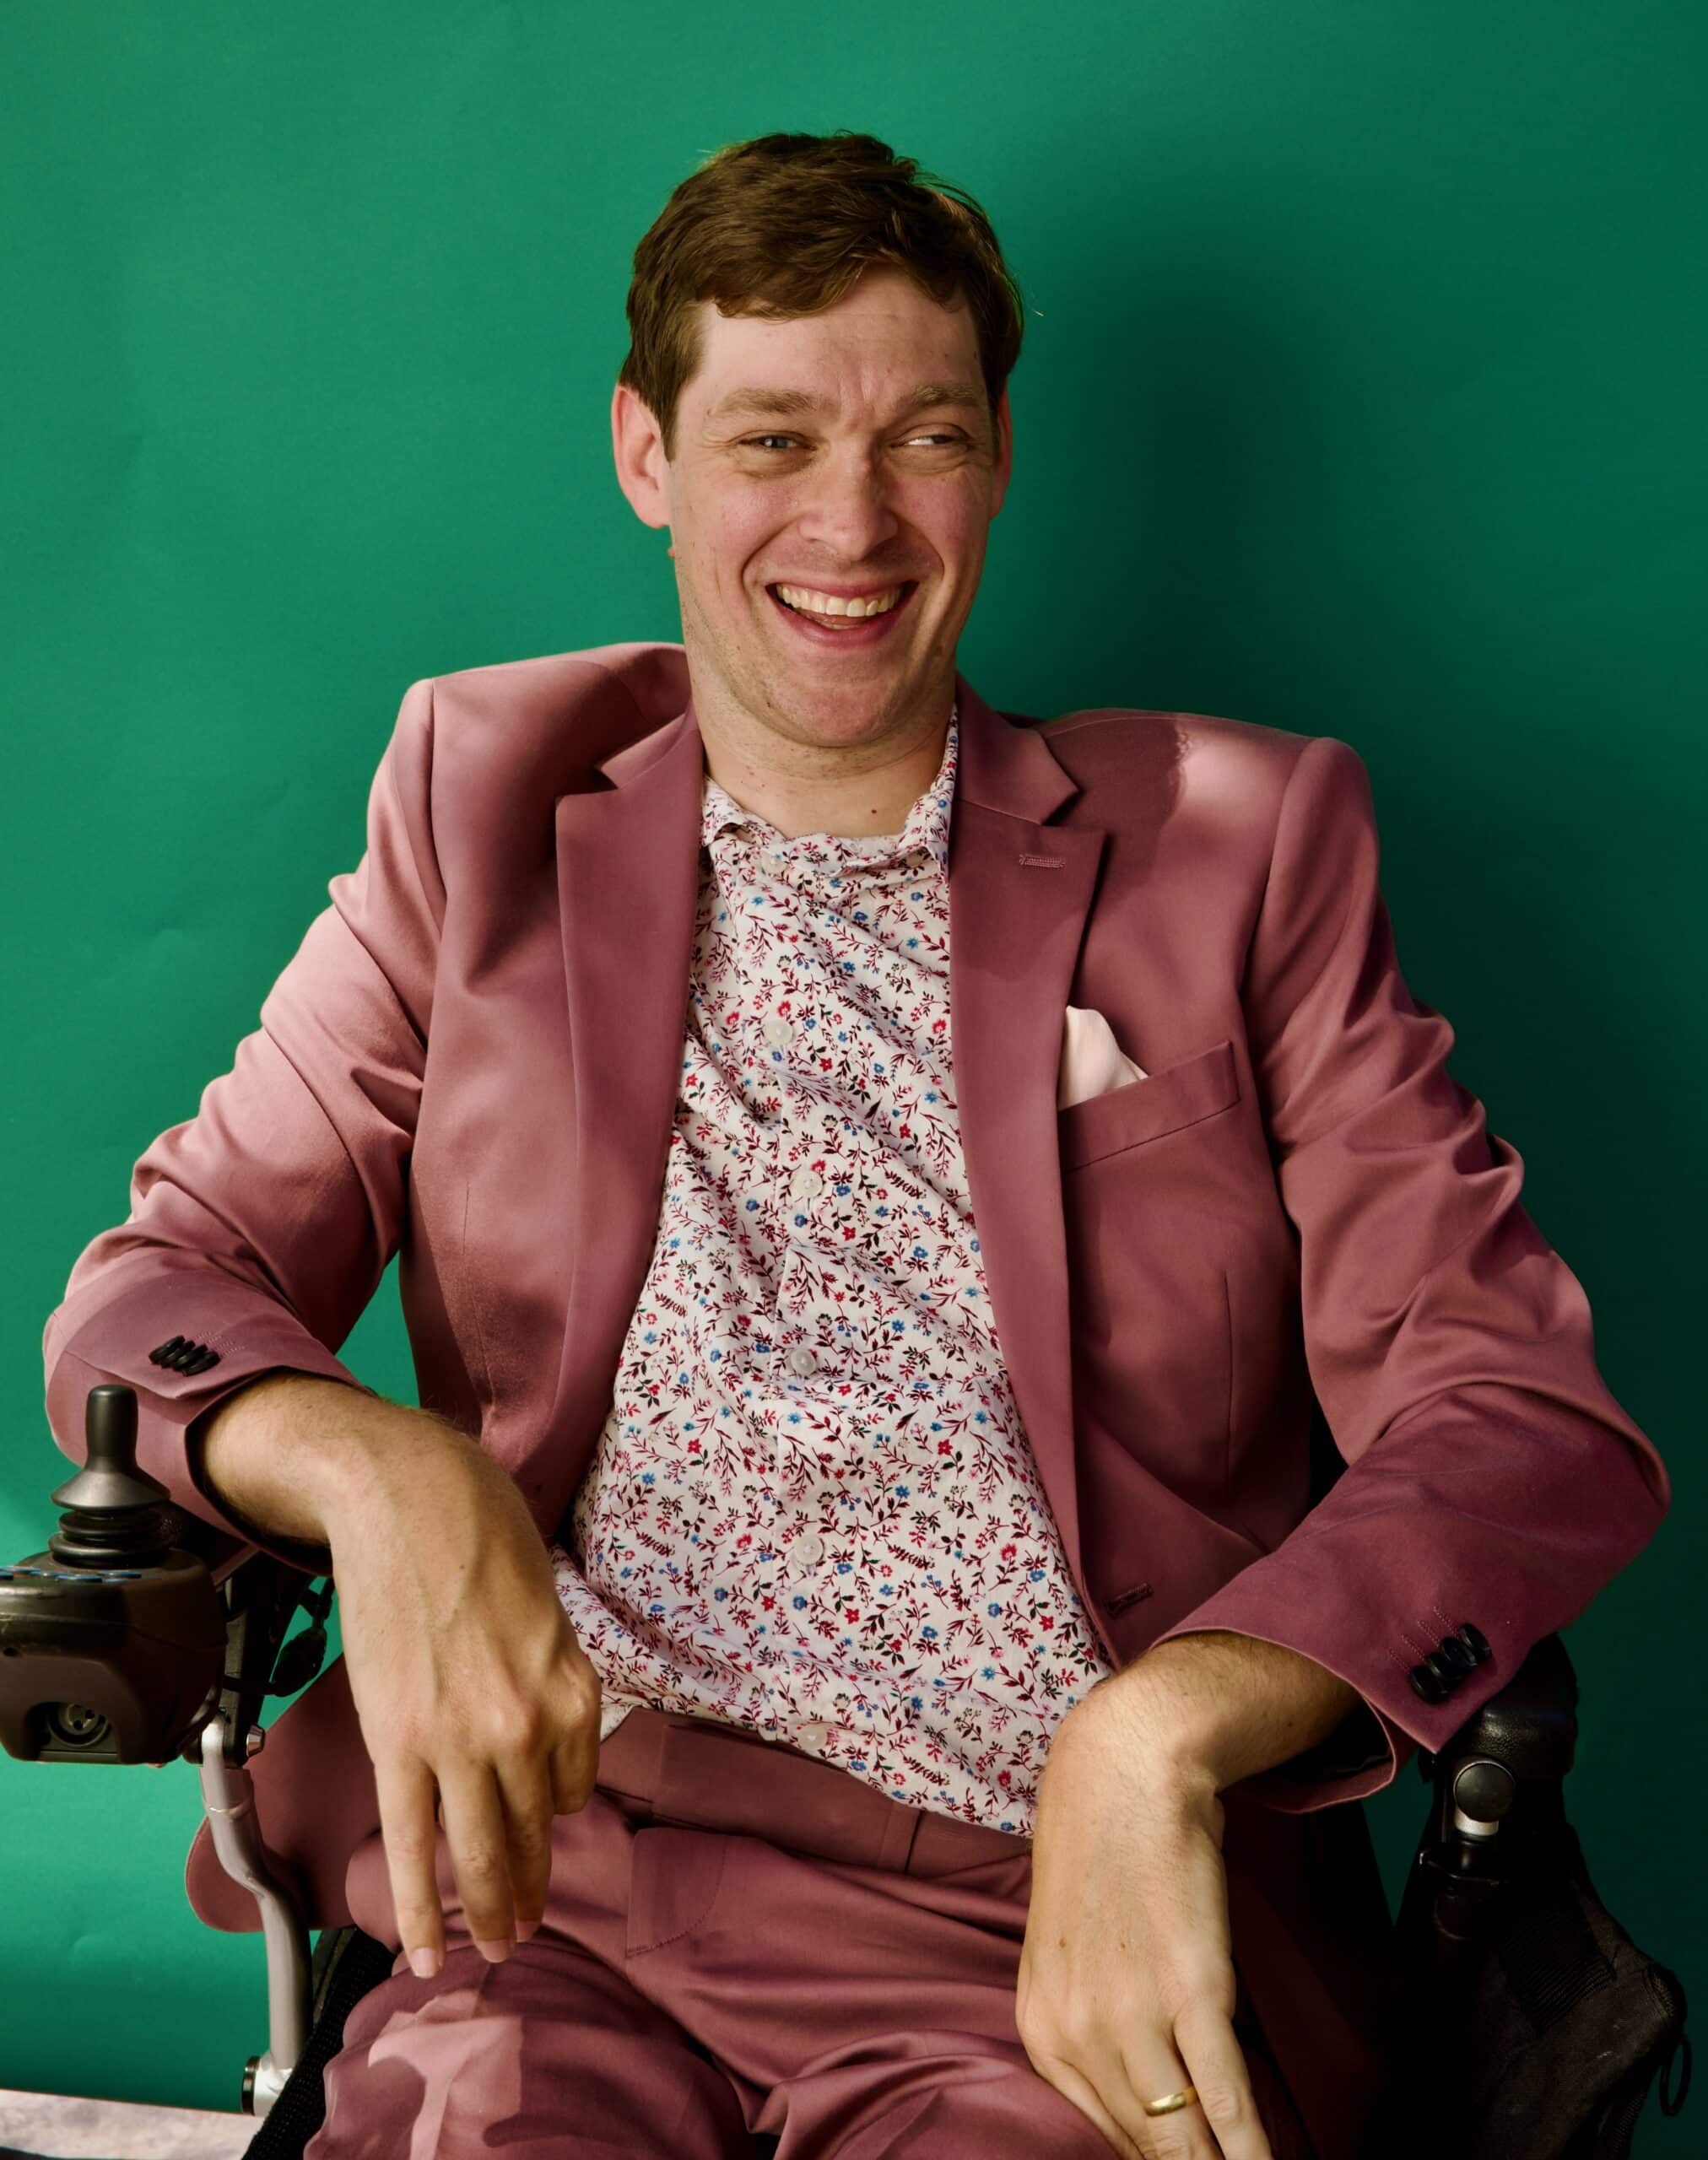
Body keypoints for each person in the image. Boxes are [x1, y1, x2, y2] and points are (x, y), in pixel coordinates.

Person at [42, 130, 1669, 2160]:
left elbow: (1515, 1412)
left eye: (924, 438)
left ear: (998, 459)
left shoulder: (1240, 851)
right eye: (772, 438)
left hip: (1035, 1921)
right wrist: (384, 1476)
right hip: (550, 1892)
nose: (852, 520)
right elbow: (154, 1296)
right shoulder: (478, 802)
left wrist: (1162, 1726)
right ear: (645, 452)